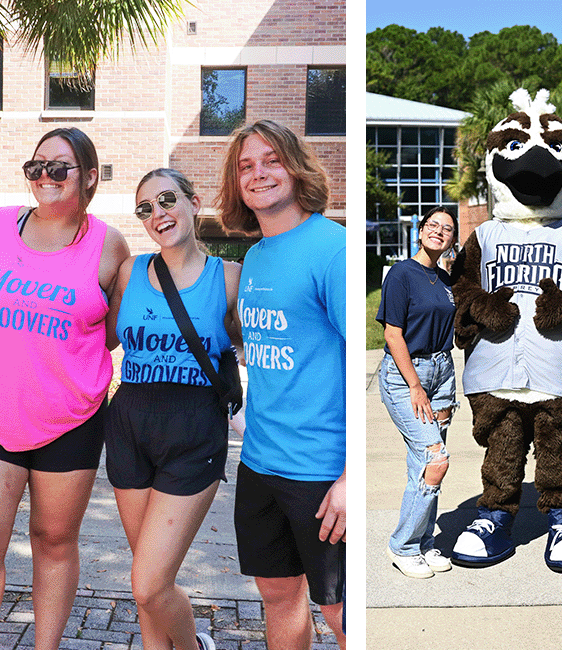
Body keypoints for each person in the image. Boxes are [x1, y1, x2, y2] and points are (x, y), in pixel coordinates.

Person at [0, 128, 131, 650]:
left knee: (54, 542)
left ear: (90, 177)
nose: (45, 178)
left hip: (70, 419)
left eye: (59, 168)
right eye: (37, 168)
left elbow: (114, 332)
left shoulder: (108, 244)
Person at [218, 120, 346, 649]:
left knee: (340, 612)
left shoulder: (332, 247)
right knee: (277, 596)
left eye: (271, 160)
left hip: (320, 473)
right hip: (260, 464)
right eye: (246, 165)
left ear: (296, 168)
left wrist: (349, 478)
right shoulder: (257, 257)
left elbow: (373, 363)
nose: (258, 173)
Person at [106, 168, 241, 650]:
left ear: (192, 200)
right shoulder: (129, 272)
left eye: (166, 200)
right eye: (145, 208)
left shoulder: (229, 278)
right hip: (129, 425)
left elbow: (256, 351)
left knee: (149, 581)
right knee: (147, 585)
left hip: (194, 431)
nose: (158, 214)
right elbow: (99, 337)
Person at [378, 206, 459, 579]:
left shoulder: (444, 279)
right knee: (435, 459)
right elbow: (393, 333)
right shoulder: (402, 273)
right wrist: (414, 385)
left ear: (452, 240)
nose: (439, 232)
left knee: (424, 467)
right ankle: (404, 546)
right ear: (421, 230)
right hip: (407, 374)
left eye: (447, 229)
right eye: (433, 225)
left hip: (442, 373)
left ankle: (425, 542)